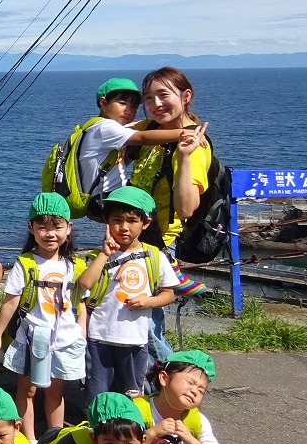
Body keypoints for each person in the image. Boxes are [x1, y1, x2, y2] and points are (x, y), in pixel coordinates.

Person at [0, 192, 87, 440]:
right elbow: (10, 303)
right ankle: (29, 439)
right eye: (42, 227)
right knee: (27, 389)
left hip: (65, 339)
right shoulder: (25, 264)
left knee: (55, 391)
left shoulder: (75, 266)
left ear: (69, 228)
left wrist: (81, 334)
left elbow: (81, 304)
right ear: (31, 228)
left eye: (57, 227)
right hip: (32, 338)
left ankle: (55, 438)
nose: (49, 234)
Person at [129, 67, 213, 354]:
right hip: (135, 240)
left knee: (147, 328)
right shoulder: (152, 129)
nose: (155, 104)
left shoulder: (195, 146)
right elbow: (114, 132)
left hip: (159, 244)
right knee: (136, 322)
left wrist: (185, 156)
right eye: (148, 98)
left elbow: (187, 208)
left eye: (164, 95)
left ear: (186, 96)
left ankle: (171, 387)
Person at [78, 187, 177, 402]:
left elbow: (169, 294)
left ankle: (128, 432)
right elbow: (84, 283)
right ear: (107, 223)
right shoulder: (97, 256)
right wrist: (105, 255)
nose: (123, 228)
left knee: (132, 393)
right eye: (117, 220)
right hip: (98, 336)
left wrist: (148, 301)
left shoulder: (155, 256)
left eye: (132, 221)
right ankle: (97, 431)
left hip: (135, 339)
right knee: (98, 394)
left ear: (145, 223)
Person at [74, 78, 194, 206]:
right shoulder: (106, 127)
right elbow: (142, 137)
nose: (128, 110)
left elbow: (130, 128)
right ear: (103, 103)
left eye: (134, 106)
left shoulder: (95, 126)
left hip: (100, 198)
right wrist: (187, 132)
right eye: (122, 103)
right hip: (105, 199)